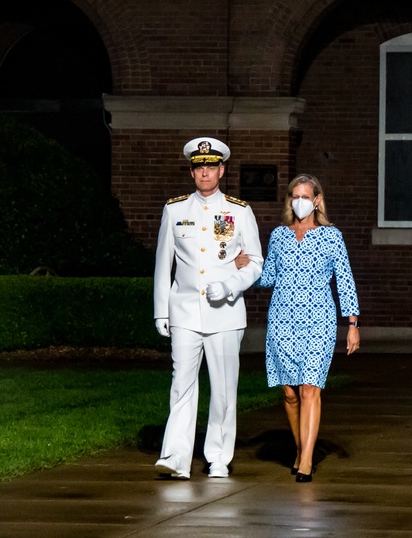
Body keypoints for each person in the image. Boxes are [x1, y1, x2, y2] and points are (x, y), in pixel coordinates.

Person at [153, 137, 263, 479]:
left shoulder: (239, 211)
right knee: (181, 384)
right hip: (185, 309)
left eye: (211, 167)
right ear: (191, 171)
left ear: (222, 170)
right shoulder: (175, 209)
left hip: (225, 312)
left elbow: (256, 261)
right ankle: (176, 456)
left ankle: (218, 456)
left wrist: (230, 285)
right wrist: (162, 310)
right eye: (199, 167)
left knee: (224, 388)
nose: (205, 172)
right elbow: (163, 264)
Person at [258, 174, 359, 482]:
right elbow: (267, 278)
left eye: (305, 195)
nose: (299, 201)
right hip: (282, 320)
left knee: (309, 389)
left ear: (317, 200)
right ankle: (303, 448)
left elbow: (344, 280)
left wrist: (352, 324)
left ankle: (305, 460)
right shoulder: (279, 235)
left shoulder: (332, 236)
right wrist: (242, 266)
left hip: (319, 321)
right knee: (289, 393)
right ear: (290, 200)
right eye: (294, 196)